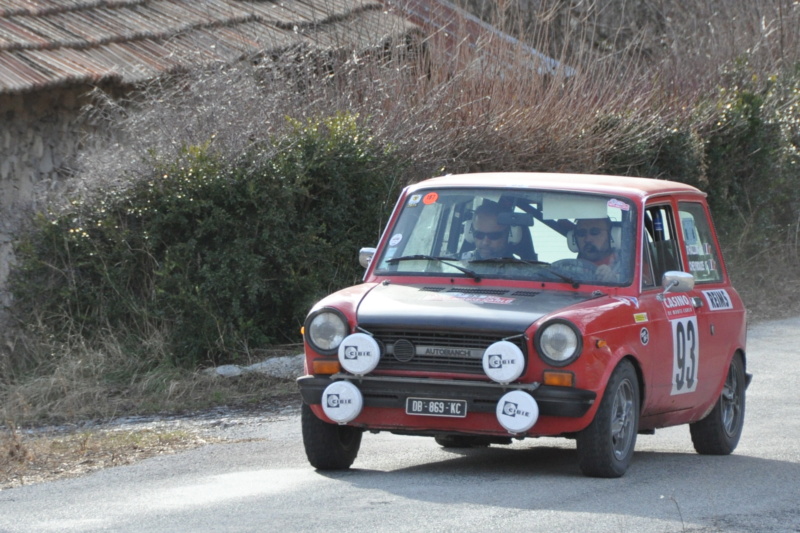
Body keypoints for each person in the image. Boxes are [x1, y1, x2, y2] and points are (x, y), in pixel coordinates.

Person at [573, 217, 619, 282]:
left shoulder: (628, 271)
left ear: (611, 235)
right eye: (581, 233)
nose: (587, 239)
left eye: (595, 232)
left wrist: (614, 279)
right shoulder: (566, 270)